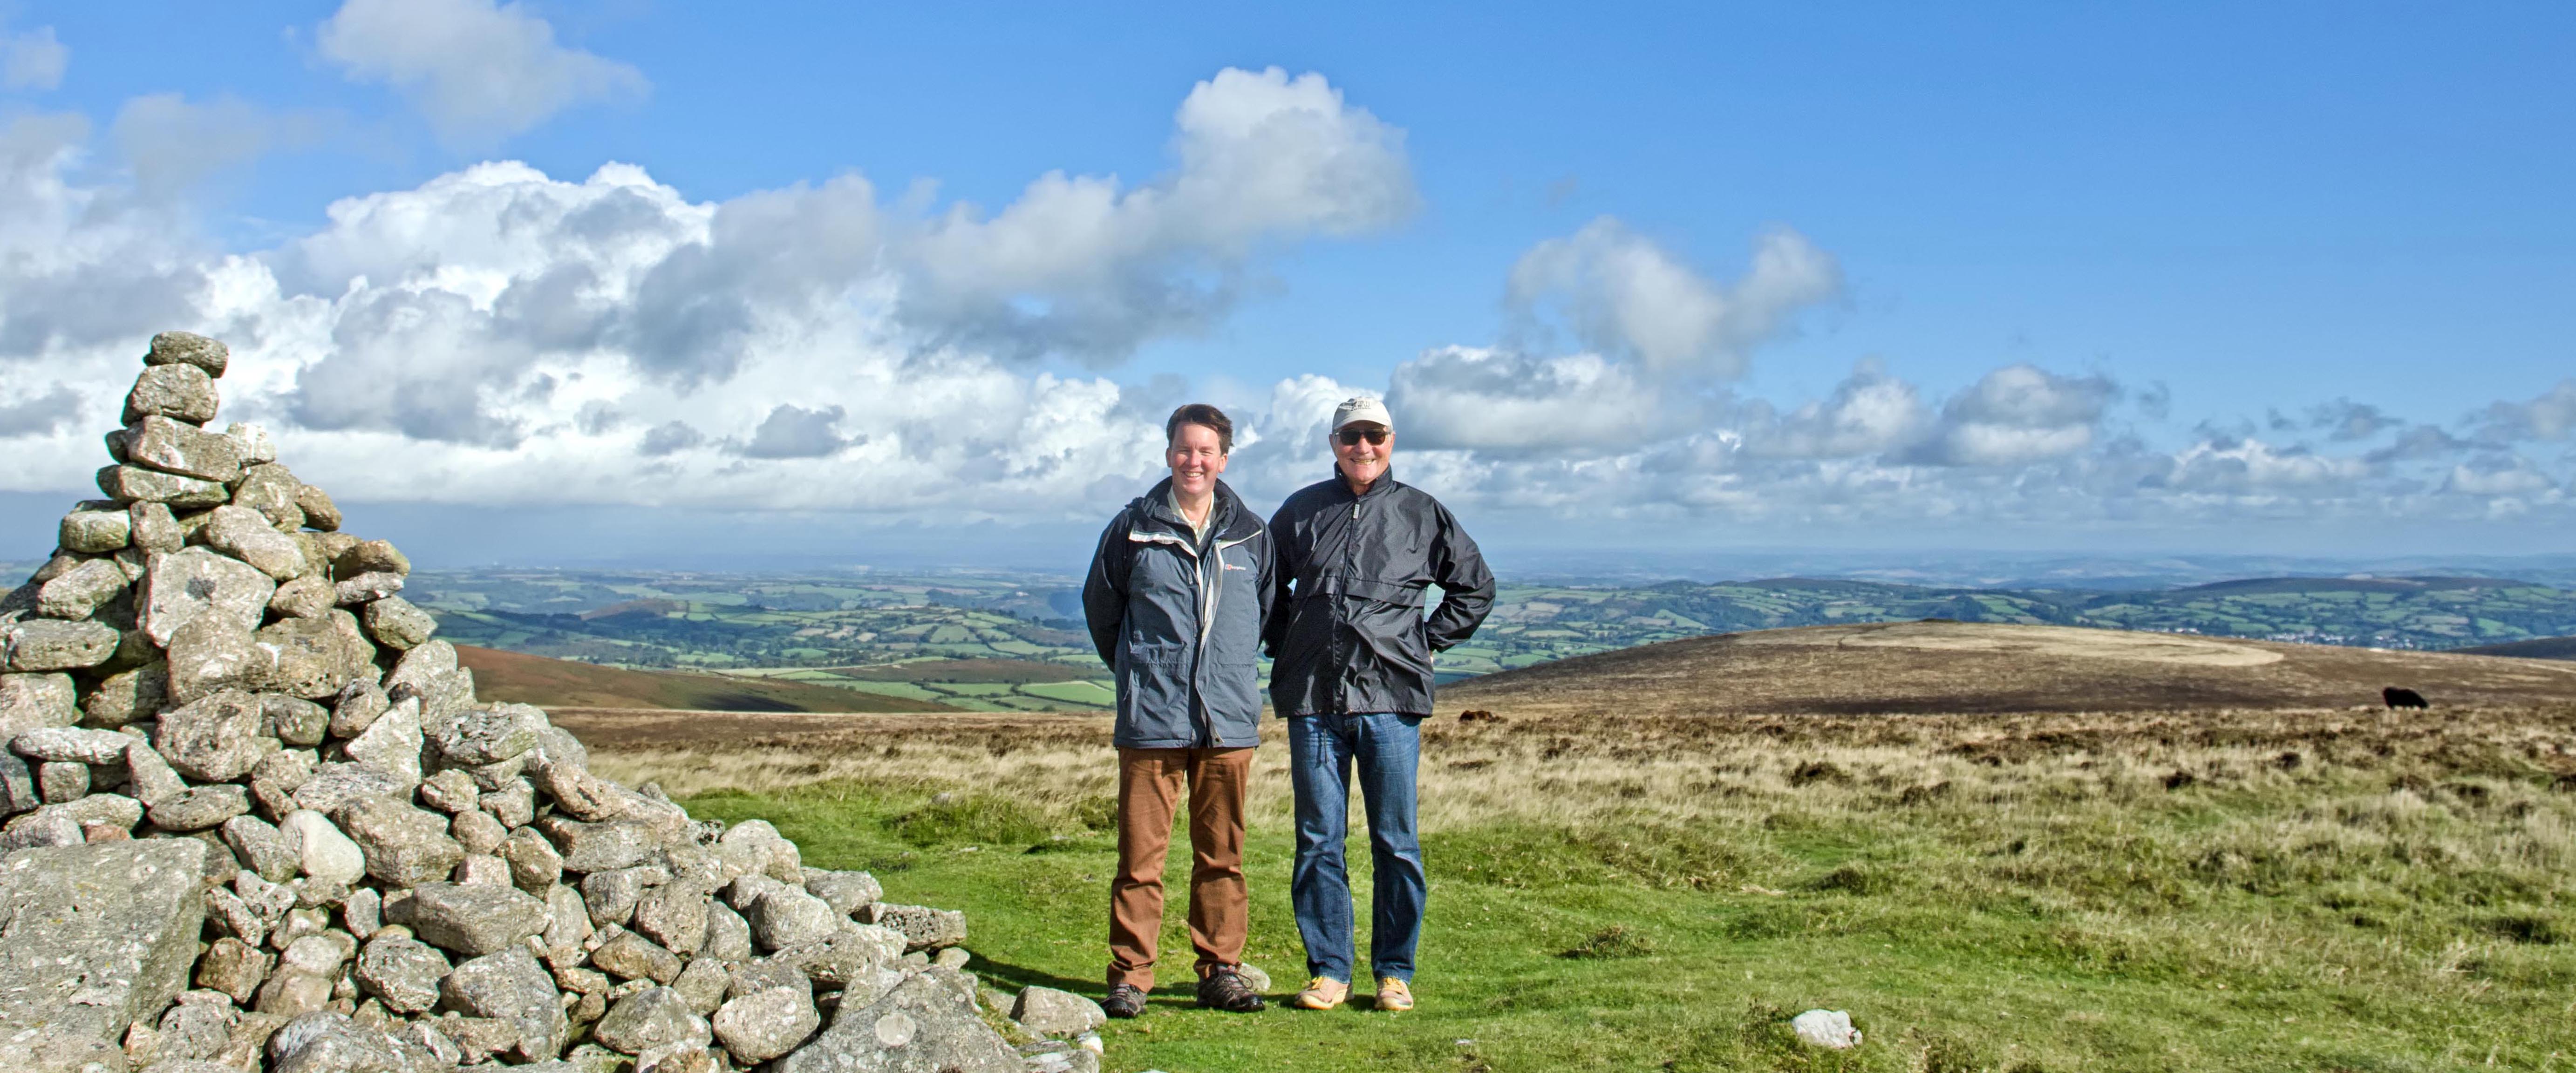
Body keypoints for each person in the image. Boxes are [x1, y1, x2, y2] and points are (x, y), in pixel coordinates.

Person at [1264, 396, 1494, 1012]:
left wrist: (1423, 641)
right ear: (1333, 442)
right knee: (1318, 840)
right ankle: (1329, 972)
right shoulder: (1301, 510)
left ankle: (1394, 973)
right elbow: (1264, 587)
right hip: (1312, 699)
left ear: (1391, 440)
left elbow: (1474, 587)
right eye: (1350, 437)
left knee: (1395, 842)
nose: (1362, 447)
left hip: (1390, 701)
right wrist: (1284, 642)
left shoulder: (1422, 513)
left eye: (1374, 435)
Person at [1081, 403, 1274, 1018]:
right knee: (1140, 860)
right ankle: (1130, 977)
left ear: (1223, 458)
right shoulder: (1131, 529)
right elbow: (1102, 611)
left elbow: (1262, 612)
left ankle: (1220, 971)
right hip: (1152, 722)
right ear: (1168, 454)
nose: (1195, 461)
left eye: (1206, 451)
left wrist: (1226, 678)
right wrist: (1143, 677)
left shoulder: (1251, 533)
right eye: (1184, 449)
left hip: (1228, 723)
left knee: (1223, 857)